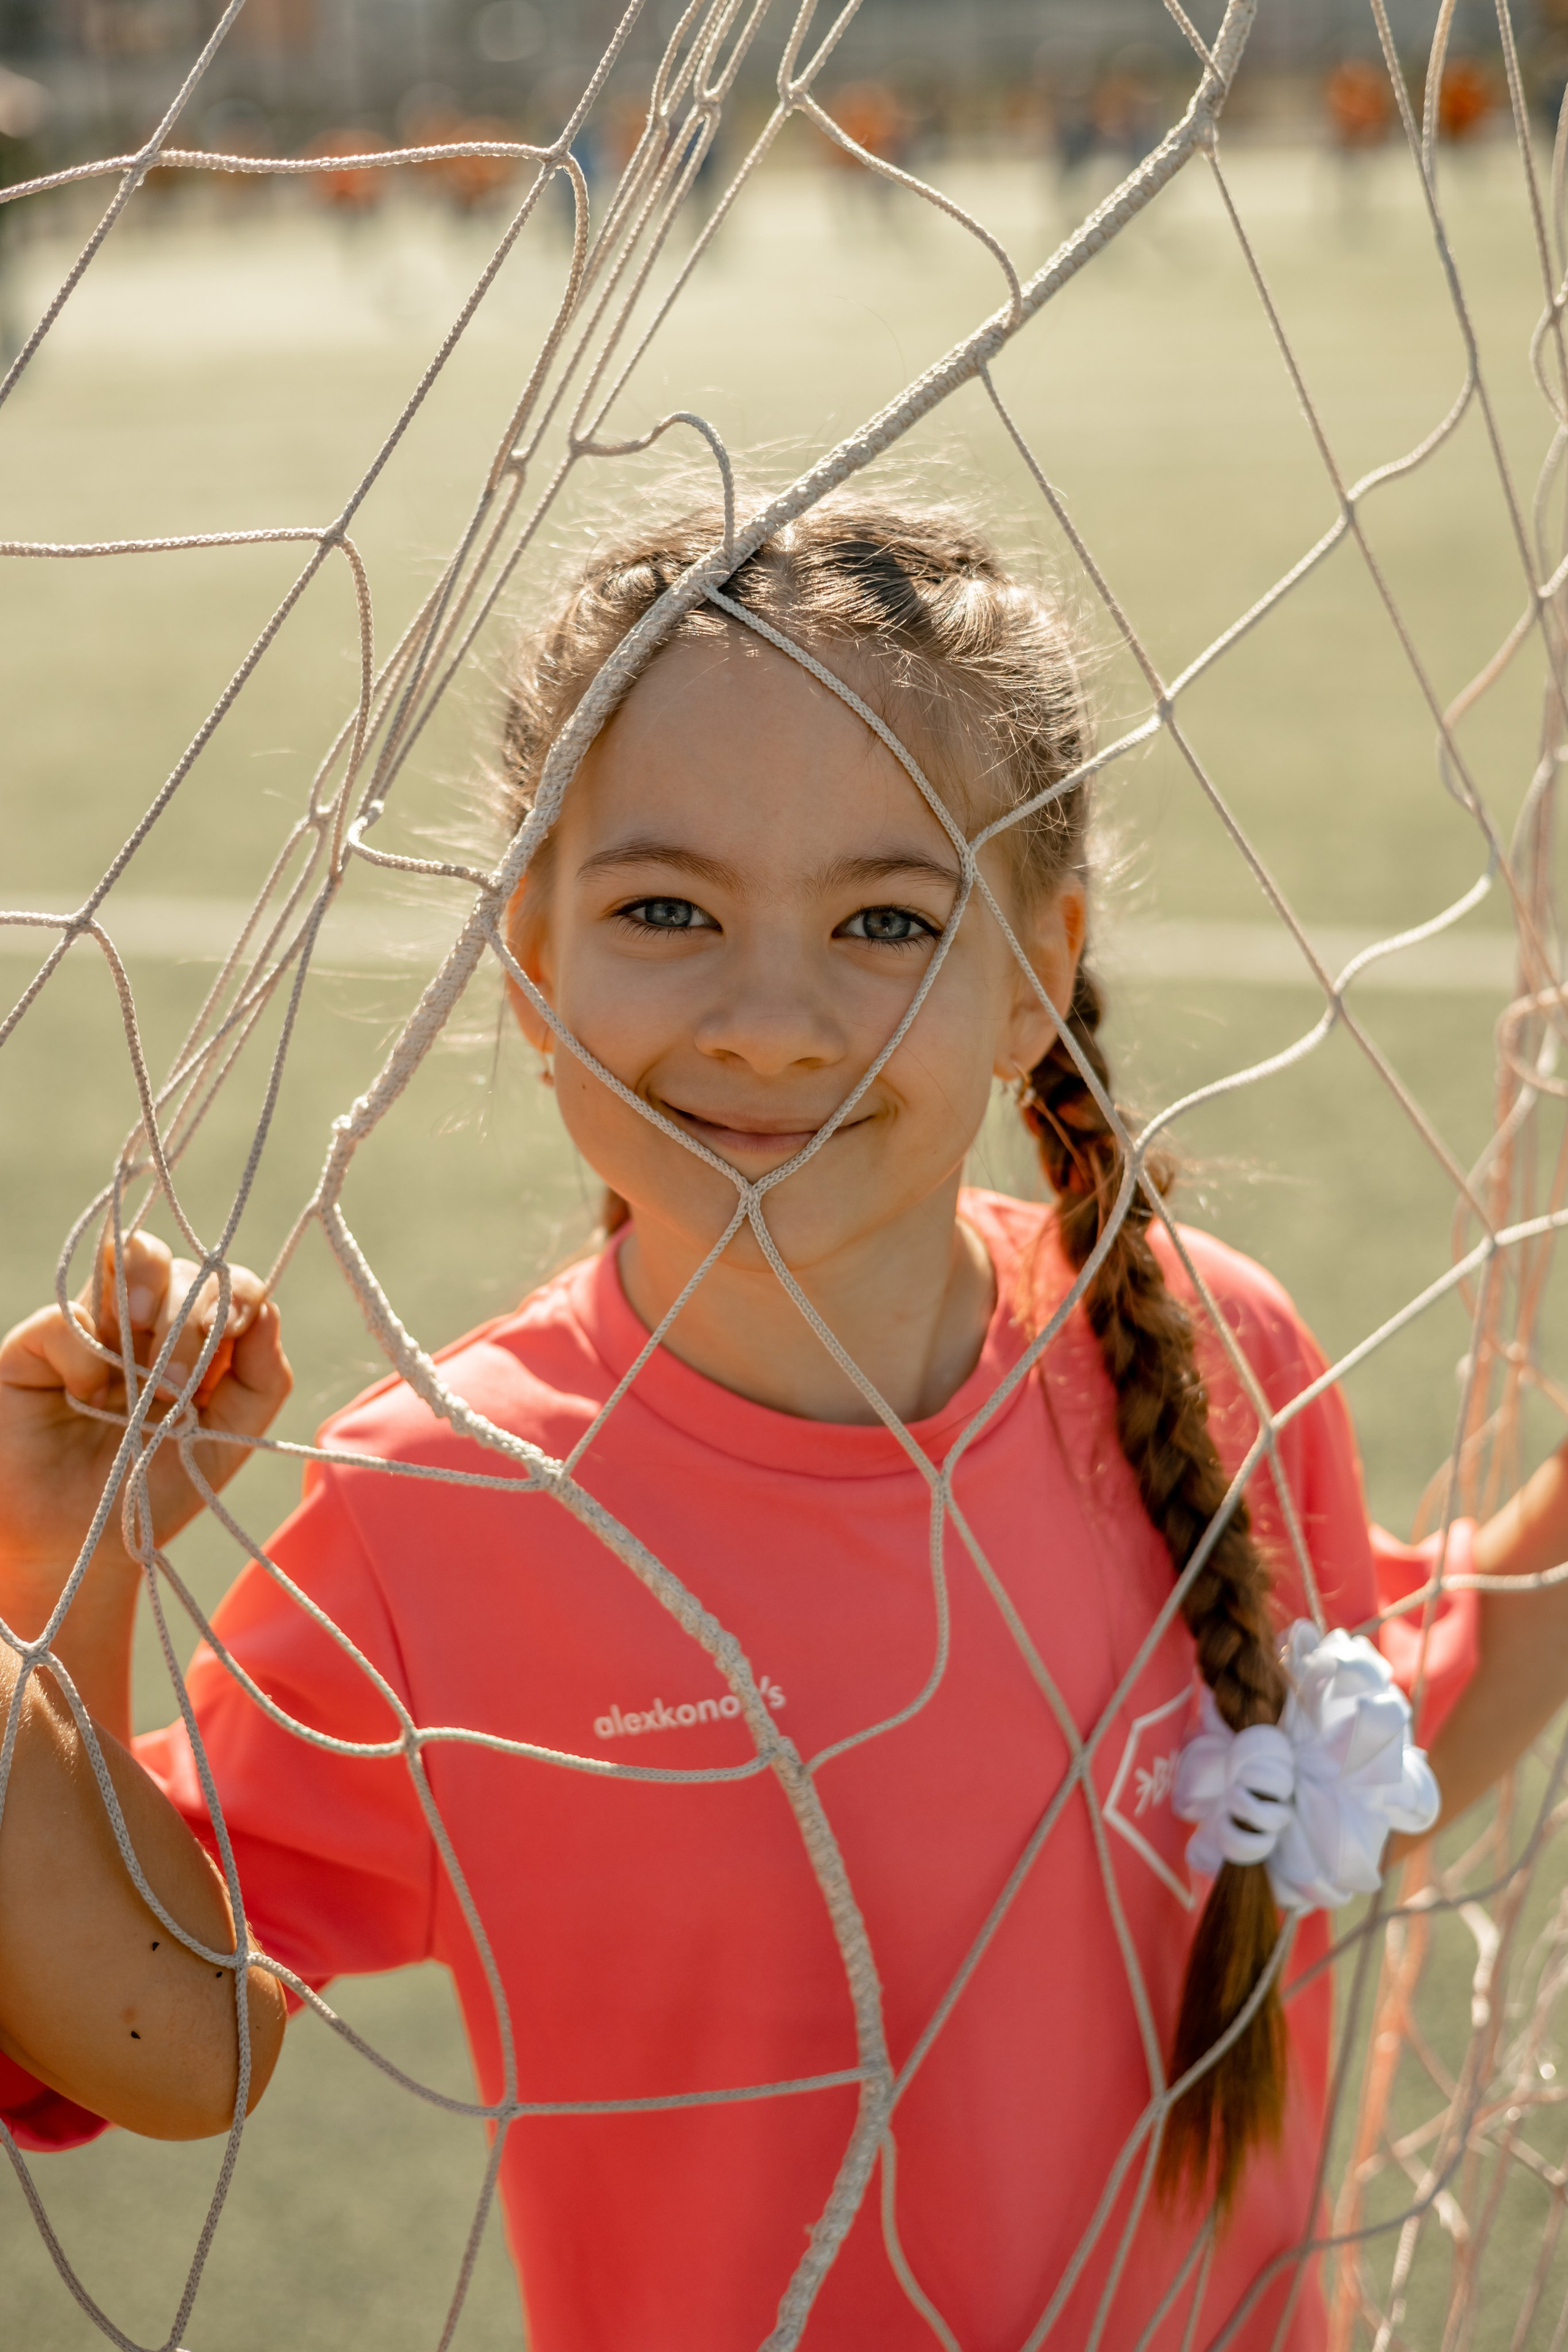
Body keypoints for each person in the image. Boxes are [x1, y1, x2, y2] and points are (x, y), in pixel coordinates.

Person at [4, 500, 1568, 2348]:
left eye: (886, 920)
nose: (769, 1018)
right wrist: (54, 1581)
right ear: (526, 950)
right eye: (666, 909)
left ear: (1036, 972)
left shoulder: (1212, 1342)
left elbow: (1362, 1759)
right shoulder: (456, 1500)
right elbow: (165, 2039)